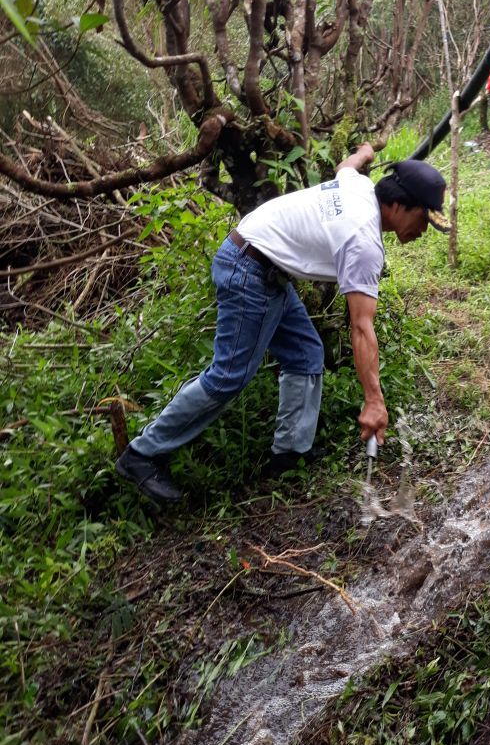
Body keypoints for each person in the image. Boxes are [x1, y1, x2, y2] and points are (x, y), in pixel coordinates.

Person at [116, 144, 450, 503]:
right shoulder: (363, 242)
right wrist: (373, 400)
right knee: (228, 375)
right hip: (249, 269)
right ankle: (142, 454)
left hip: (265, 265)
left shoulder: (358, 186)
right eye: (423, 219)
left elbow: (347, 165)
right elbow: (361, 328)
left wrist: (364, 152)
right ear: (399, 205)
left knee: (306, 353)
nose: (423, 230)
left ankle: (289, 455)